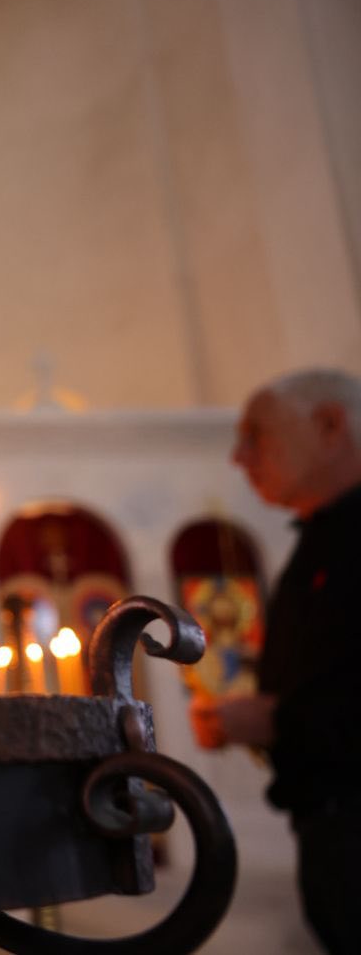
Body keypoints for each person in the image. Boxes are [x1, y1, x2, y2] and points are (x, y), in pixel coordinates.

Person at [196, 368, 361, 954]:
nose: (239, 457)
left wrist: (276, 720)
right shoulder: (325, 535)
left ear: (330, 426)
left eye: (255, 436)